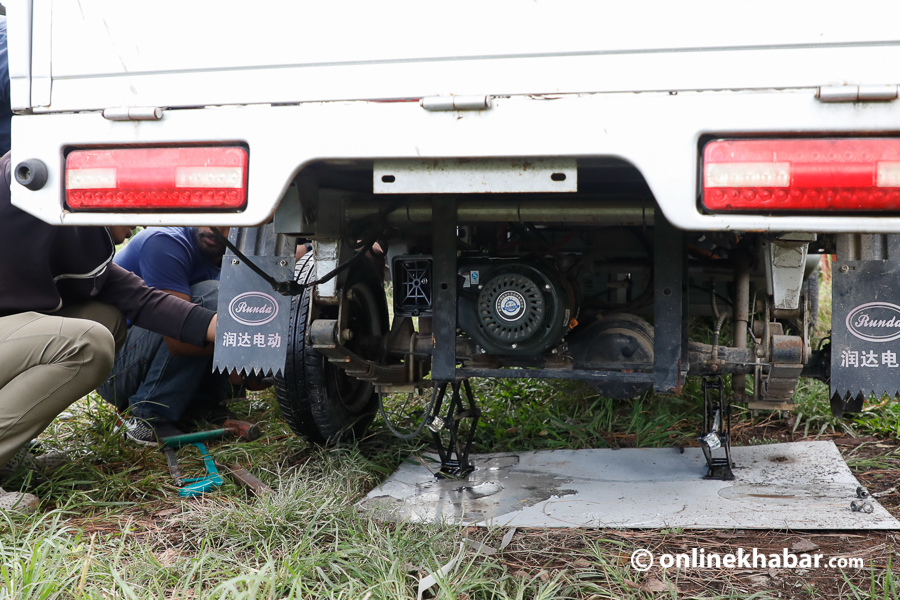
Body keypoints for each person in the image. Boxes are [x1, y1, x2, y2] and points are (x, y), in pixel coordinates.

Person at [0, 153, 217, 513]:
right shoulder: (25, 192)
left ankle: (8, 454)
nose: (141, 220)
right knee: (87, 343)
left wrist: (227, 331)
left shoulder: (80, 241)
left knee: (105, 318)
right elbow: (18, 166)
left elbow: (142, 300)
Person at [97, 226, 233, 444]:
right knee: (213, 298)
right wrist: (246, 343)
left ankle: (198, 405)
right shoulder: (165, 242)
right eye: (211, 212)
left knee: (230, 308)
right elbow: (178, 339)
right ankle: (147, 415)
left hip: (142, 353)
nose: (215, 226)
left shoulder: (236, 258)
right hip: (110, 367)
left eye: (229, 221)